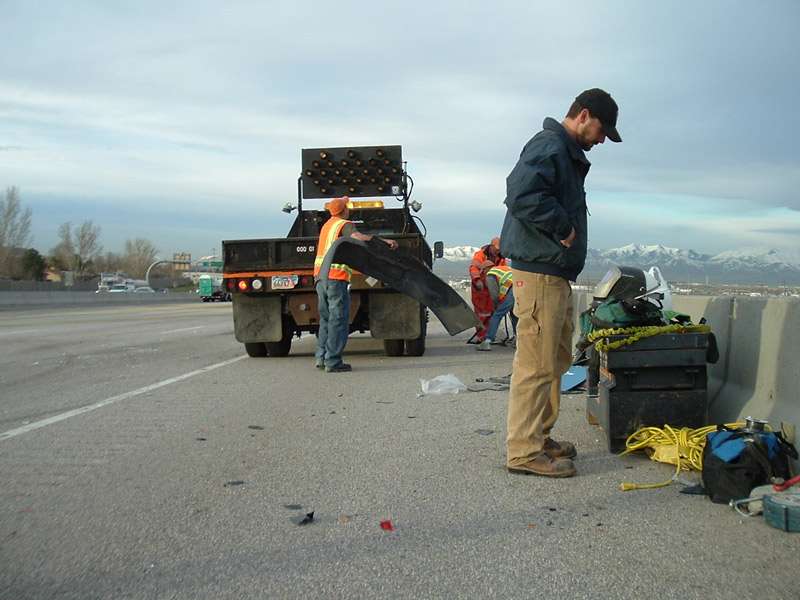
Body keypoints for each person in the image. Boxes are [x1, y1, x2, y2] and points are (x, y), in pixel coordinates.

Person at [501, 88, 621, 477]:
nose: (602, 139)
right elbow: (520, 193)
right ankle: (523, 451)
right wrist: (563, 225)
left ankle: (539, 436)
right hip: (538, 271)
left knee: (555, 361)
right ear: (584, 115)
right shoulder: (549, 144)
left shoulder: (563, 151)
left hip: (552, 272)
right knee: (536, 364)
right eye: (602, 130)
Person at [313, 197, 398, 373]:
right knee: (338, 319)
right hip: (335, 278)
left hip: (320, 278)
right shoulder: (344, 224)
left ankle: (321, 358)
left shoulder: (327, 226)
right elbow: (357, 237)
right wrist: (383, 242)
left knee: (326, 319)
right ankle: (333, 361)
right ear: (345, 210)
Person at [469, 237, 507, 341]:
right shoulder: (480, 255)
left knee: (491, 311)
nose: (498, 251)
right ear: (491, 246)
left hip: (492, 286)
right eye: (497, 248)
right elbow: (473, 268)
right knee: (481, 312)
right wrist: (477, 280)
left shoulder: (501, 258)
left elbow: (503, 273)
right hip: (480, 288)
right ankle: (482, 336)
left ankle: (489, 335)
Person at [476, 264, 517, 351]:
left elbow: (494, 295)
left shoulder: (490, 274)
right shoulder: (503, 269)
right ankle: (518, 340)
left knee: (497, 315)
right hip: (521, 285)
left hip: (512, 289)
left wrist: (496, 306)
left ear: (486, 269)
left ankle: (487, 341)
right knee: (515, 314)